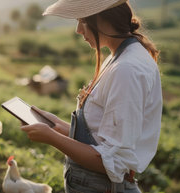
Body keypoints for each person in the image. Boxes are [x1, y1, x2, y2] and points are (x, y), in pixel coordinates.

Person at [20, 0, 162, 192]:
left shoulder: (126, 70)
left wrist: (52, 138)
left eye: (82, 20)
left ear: (102, 19)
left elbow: (110, 163)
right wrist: (55, 125)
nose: (78, 30)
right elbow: (96, 137)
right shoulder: (118, 57)